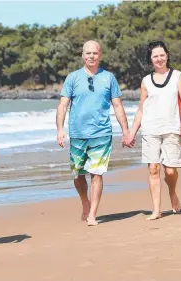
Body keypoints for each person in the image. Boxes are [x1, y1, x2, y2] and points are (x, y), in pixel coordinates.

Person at [56, 40, 133, 226]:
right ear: (83, 55)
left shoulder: (109, 78)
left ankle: (92, 214)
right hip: (77, 134)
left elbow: (117, 105)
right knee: (78, 175)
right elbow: (63, 105)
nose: (91, 56)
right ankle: (85, 201)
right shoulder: (72, 78)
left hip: (101, 133)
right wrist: (60, 130)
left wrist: (126, 131)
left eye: (95, 53)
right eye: (88, 53)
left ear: (100, 55)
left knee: (97, 173)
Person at [126, 40, 181, 220]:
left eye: (162, 55)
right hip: (150, 130)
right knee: (153, 169)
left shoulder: (177, 76)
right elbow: (141, 108)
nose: (159, 59)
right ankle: (157, 210)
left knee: (170, 171)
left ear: (167, 56)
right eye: (155, 56)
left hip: (172, 128)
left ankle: (172, 192)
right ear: (150, 59)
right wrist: (132, 132)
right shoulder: (146, 81)